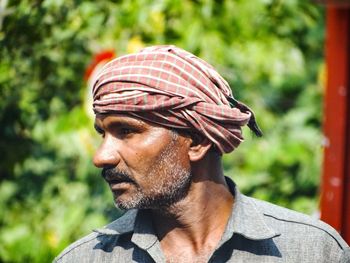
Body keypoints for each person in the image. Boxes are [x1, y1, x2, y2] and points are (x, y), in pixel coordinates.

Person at [54, 45, 350, 263]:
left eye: (127, 131)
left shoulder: (311, 251)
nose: (101, 156)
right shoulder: (86, 258)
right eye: (102, 133)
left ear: (196, 141)